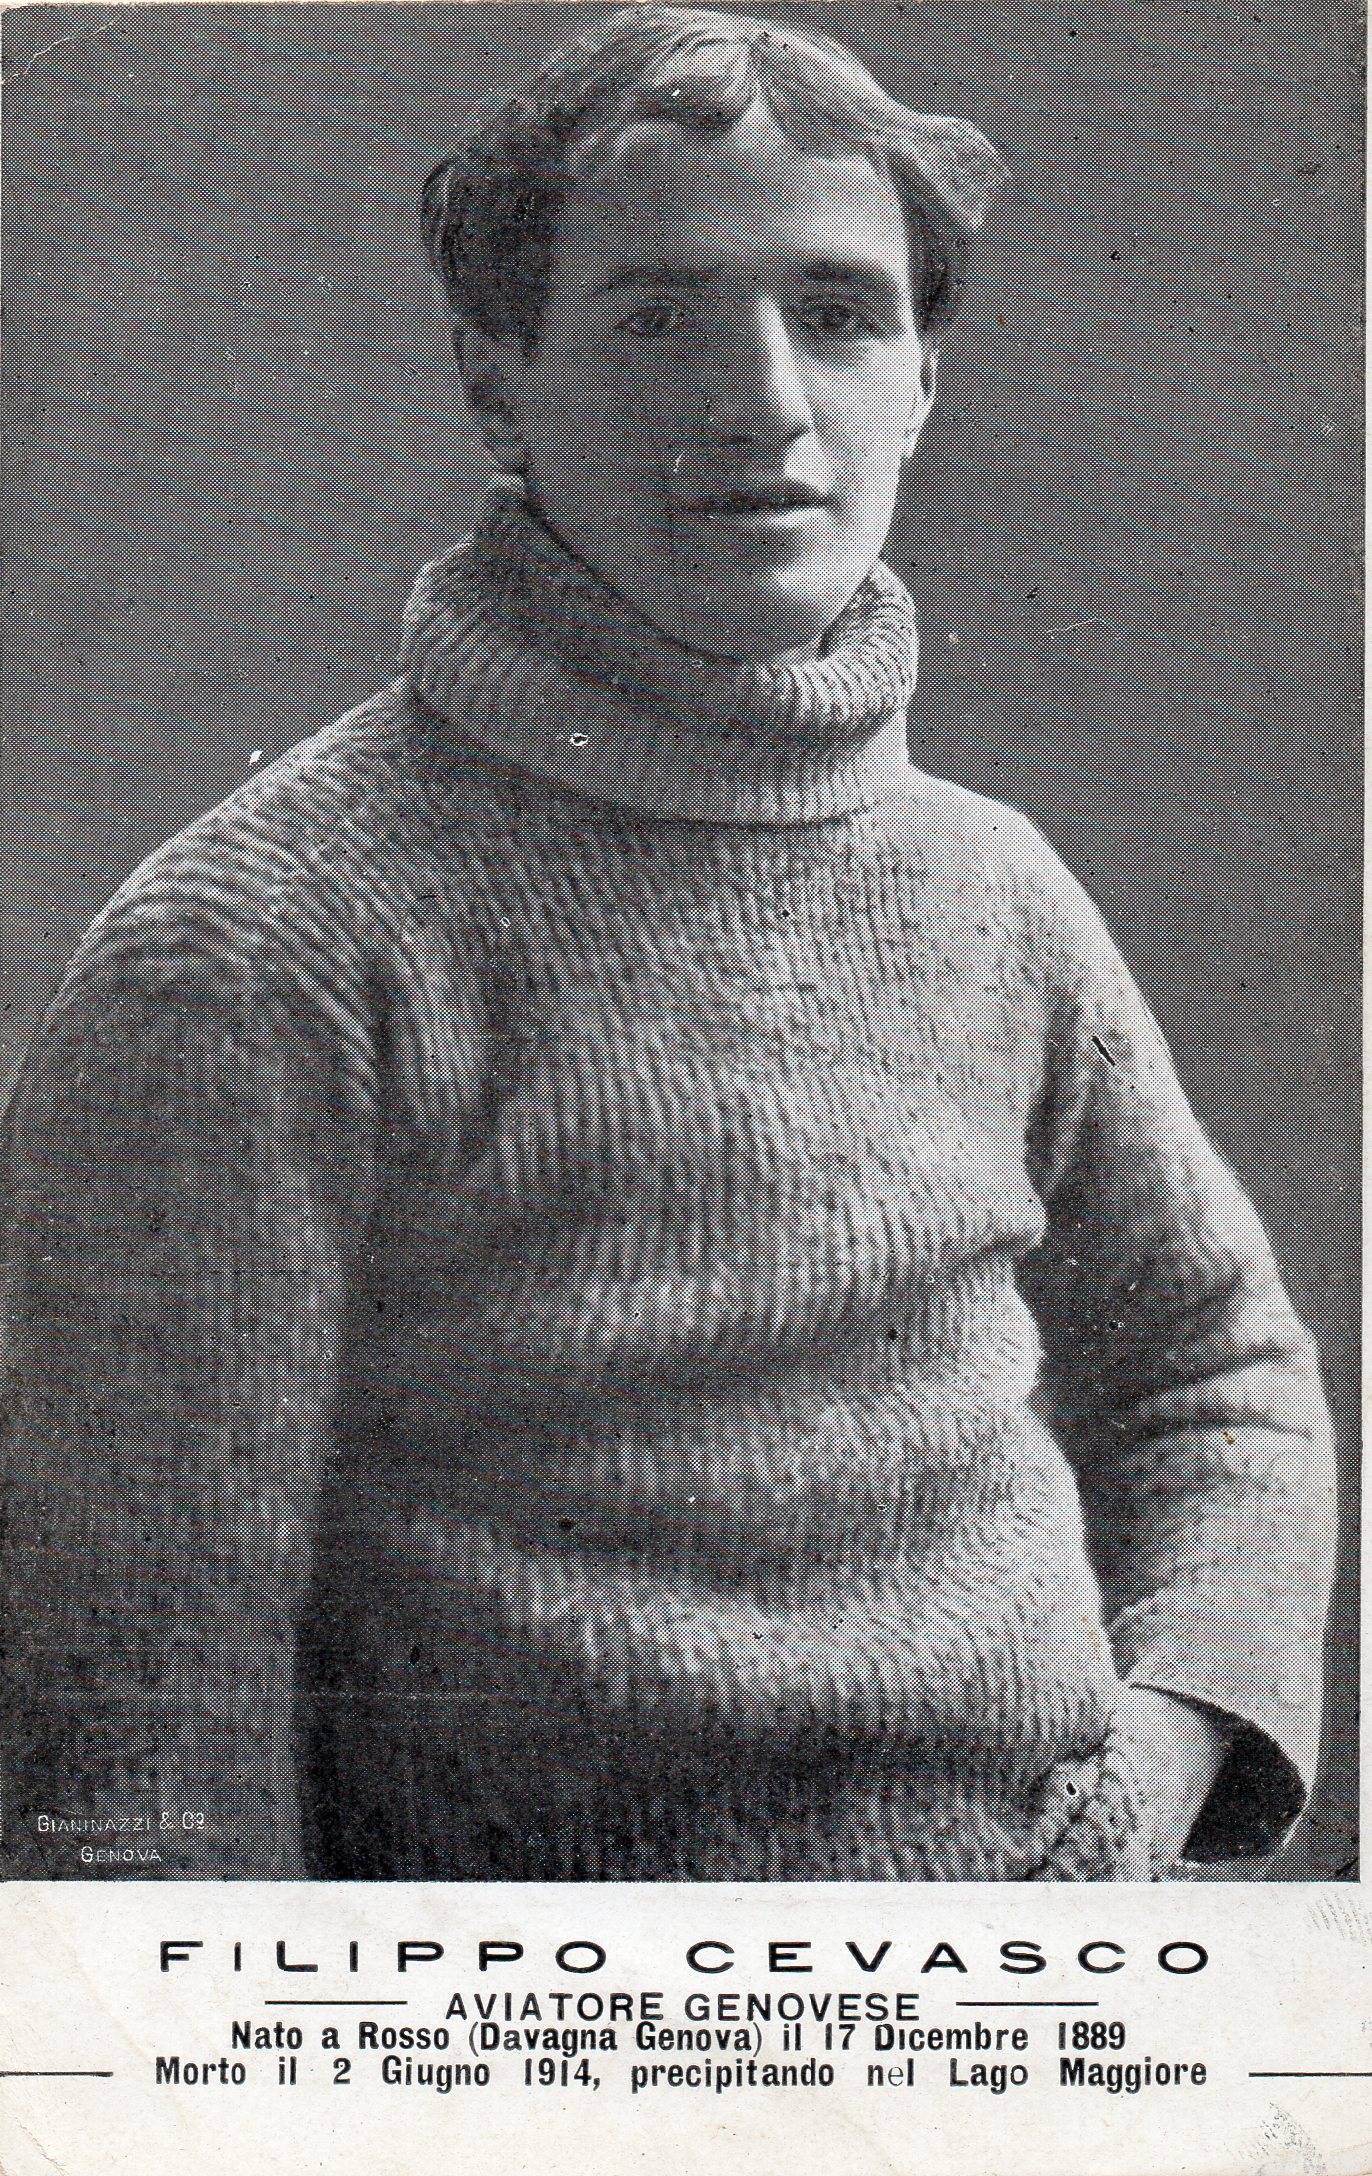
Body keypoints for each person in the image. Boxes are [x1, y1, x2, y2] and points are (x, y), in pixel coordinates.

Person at [1, 6, 1335, 1881]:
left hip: (1046, 1982)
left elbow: (1218, 1377)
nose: (763, 398)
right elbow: (137, 1785)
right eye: (657, 319)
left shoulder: (994, 886)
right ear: (497, 383)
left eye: (840, 313)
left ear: (924, 378)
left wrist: (1179, 1740)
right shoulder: (254, 947)